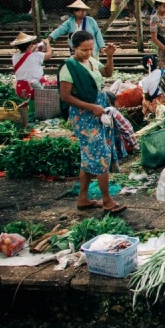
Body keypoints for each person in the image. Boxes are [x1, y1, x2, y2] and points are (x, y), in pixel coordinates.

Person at [58, 31, 127, 214]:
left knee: (89, 156)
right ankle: (107, 200)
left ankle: (83, 199)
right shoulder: (68, 67)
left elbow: (107, 72)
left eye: (90, 49)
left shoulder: (91, 61)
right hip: (84, 115)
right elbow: (65, 96)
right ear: (74, 47)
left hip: (98, 110)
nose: (88, 53)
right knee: (100, 154)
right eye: (83, 50)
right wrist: (90, 107)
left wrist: (110, 57)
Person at [11, 32, 51, 99]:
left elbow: (26, 56)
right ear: (29, 46)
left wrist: (32, 48)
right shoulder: (36, 55)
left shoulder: (14, 57)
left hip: (20, 88)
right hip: (34, 88)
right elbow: (49, 54)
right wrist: (47, 44)